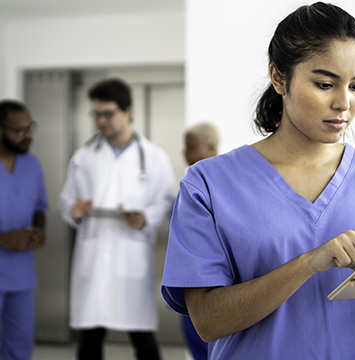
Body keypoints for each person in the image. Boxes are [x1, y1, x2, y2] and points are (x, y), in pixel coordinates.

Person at [161, 3, 355, 359]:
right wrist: (310, 262)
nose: (344, 103)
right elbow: (207, 321)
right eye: (325, 84)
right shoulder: (209, 183)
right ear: (279, 78)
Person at [59, 79, 175, 360]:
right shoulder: (83, 158)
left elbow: (168, 202)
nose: (101, 120)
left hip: (131, 257)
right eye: (96, 114)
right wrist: (73, 211)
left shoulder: (155, 158)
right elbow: (66, 200)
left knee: (143, 340)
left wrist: (146, 217)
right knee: (89, 339)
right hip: (94, 257)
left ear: (128, 111)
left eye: (107, 114)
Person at [0, 100, 47, 360]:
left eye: (30, 128)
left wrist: (40, 230)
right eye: (20, 131)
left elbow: (40, 207)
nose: (28, 136)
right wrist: (3, 237)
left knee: (19, 349)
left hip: (21, 277)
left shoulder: (32, 165)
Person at [179, 122, 220, 359]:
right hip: (189, 280)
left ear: (210, 149)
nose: (185, 153)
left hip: (213, 283)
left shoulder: (222, 184)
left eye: (190, 147)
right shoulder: (191, 182)